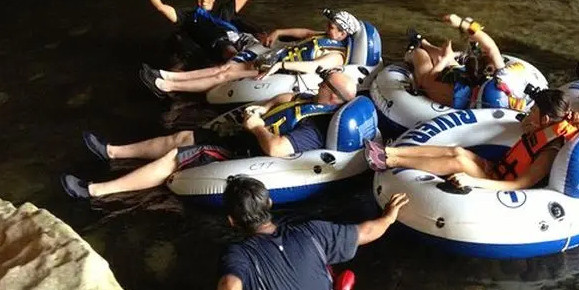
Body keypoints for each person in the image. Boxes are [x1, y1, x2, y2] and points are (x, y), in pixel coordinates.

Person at [60, 71, 358, 199]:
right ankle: (112, 152)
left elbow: (278, 150)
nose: (319, 83)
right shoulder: (310, 99)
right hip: (237, 135)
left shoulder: (316, 126)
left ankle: (95, 191)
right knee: (183, 136)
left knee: (176, 157)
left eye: (325, 83)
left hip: (244, 153)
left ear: (332, 97)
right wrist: (261, 106)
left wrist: (256, 126)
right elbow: (284, 99)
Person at [216, 176, 407, 290]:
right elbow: (366, 232)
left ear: (232, 221)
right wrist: (388, 218)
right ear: (269, 203)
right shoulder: (311, 231)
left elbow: (230, 286)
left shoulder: (239, 255)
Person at [363, 89, 579, 192]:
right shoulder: (543, 128)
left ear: (545, 118)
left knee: (459, 163)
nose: (530, 111)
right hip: (497, 170)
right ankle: (391, 152)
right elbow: (525, 128)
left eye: (534, 109)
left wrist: (474, 182)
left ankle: (389, 161)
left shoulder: (549, 151)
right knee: (458, 152)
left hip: (503, 184)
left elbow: (518, 184)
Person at [139, 9, 362, 97]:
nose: (329, 28)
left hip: (279, 71)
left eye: (334, 27)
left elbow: (312, 66)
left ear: (344, 35)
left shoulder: (336, 54)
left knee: (223, 75)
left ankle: (168, 86)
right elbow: (304, 32)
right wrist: (280, 31)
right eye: (331, 24)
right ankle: (166, 75)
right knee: (223, 67)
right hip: (273, 60)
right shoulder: (325, 36)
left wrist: (280, 66)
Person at [407, 14, 513, 110]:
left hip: (443, 89)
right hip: (464, 82)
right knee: (441, 55)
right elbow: (491, 47)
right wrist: (463, 24)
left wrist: (445, 59)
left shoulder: (458, 94)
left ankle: (411, 51)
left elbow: (428, 81)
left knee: (421, 55)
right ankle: (423, 42)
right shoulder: (501, 76)